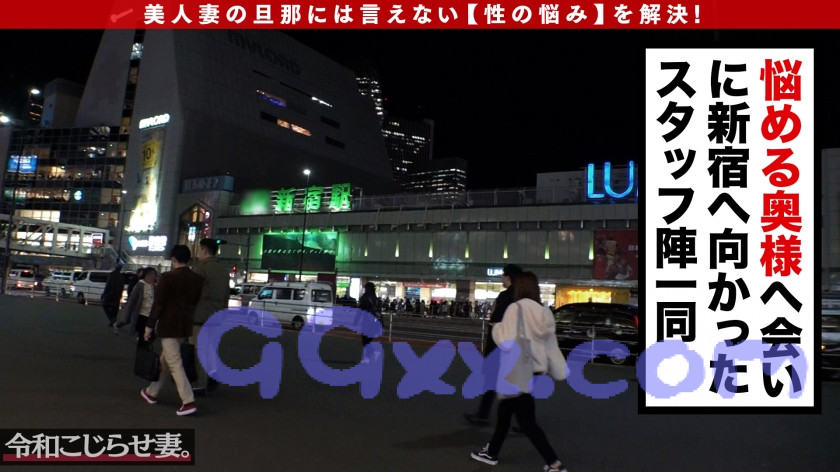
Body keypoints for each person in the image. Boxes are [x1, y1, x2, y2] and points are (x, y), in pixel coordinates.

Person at [470, 271, 568, 472]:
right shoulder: (544, 312)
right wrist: (559, 369)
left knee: (527, 422)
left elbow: (505, 341)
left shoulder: (516, 308)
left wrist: (497, 328)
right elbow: (551, 345)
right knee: (506, 413)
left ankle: (554, 463)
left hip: (517, 369)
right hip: (534, 370)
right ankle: (492, 452)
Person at [140, 245, 205, 417]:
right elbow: (195, 302)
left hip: (168, 324)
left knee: (174, 362)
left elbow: (158, 303)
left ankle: (188, 400)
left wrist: (149, 326)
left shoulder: (168, 277)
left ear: (173, 259)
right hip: (184, 324)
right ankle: (151, 392)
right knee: (167, 359)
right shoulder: (197, 279)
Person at [465, 263, 523, 426]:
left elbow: (497, 322)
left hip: (499, 346)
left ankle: (484, 415)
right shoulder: (522, 297)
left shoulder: (505, 296)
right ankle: (523, 422)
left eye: (503, 276)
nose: (502, 278)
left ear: (509, 277)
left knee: (492, 382)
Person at [190, 238, 230, 395]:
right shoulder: (223, 270)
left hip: (201, 314)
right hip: (217, 315)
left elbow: (193, 292)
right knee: (211, 348)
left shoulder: (201, 269)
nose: (198, 253)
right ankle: (212, 374)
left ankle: (201, 383)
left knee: (199, 349)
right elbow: (226, 294)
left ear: (205, 251)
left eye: (200, 250)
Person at [118, 267, 156, 340]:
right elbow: (132, 300)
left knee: (151, 335)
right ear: (146, 275)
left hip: (151, 314)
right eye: (151, 275)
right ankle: (141, 346)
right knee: (142, 333)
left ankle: (144, 344)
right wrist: (127, 315)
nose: (153, 277)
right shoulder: (139, 286)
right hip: (141, 313)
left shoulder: (154, 286)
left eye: (154, 275)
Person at [358, 281, 380, 364]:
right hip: (374, 321)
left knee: (365, 340)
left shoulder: (364, 297)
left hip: (366, 320)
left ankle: (369, 356)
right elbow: (379, 311)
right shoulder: (376, 299)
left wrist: (355, 321)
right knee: (369, 339)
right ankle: (369, 356)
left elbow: (360, 310)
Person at [101, 264, 125, 334]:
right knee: (115, 308)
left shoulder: (111, 275)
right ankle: (113, 320)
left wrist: (104, 294)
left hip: (110, 294)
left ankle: (112, 320)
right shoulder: (122, 276)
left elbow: (108, 285)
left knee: (105, 306)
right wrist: (120, 295)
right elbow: (122, 287)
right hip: (117, 295)